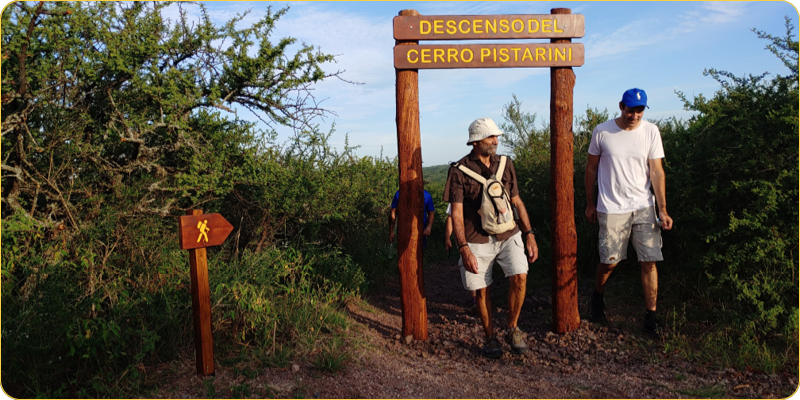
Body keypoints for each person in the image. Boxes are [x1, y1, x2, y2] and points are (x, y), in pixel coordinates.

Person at [444, 117, 539, 358]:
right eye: (491, 137)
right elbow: (456, 212)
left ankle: (512, 327)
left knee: (520, 276)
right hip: (476, 239)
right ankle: (490, 337)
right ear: (476, 142)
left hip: (509, 233)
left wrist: (529, 234)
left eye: (496, 137)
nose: (496, 141)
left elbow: (516, 201)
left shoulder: (506, 164)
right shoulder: (458, 171)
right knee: (482, 290)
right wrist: (463, 248)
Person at [584, 88, 674, 337]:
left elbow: (656, 171)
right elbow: (591, 169)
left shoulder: (651, 131)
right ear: (621, 106)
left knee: (649, 261)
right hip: (611, 208)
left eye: (639, 110)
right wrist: (591, 203)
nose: (634, 115)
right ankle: (597, 298)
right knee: (609, 261)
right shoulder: (602, 131)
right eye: (630, 109)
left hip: (644, 206)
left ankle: (651, 319)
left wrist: (663, 209)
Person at [444, 203, 476, 307]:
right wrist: (447, 237)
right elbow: (450, 218)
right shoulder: (455, 199)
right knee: (469, 265)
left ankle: (481, 296)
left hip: (479, 237)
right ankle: (474, 298)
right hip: (463, 239)